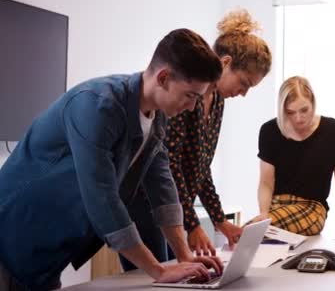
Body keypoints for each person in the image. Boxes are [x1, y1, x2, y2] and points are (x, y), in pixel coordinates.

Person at [0, 29, 225, 290]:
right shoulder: (97, 106)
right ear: (163, 78)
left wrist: (184, 256)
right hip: (10, 237)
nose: (192, 107)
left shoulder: (156, 117)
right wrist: (158, 270)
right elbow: (102, 198)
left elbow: (162, 187)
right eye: (190, 96)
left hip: (47, 251)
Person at [121, 9, 272, 271]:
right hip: (148, 203)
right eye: (244, 83)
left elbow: (201, 166)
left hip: (176, 209)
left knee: (182, 273)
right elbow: (168, 165)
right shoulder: (185, 98)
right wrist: (191, 224)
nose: (244, 93)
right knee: (155, 278)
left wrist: (219, 220)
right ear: (225, 63)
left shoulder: (218, 102)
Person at [253, 76, 335, 237]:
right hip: (277, 207)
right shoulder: (269, 131)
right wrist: (264, 213)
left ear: (313, 102)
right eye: (290, 112)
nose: (298, 118)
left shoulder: (333, 130)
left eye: (304, 110)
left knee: (251, 232)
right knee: (250, 232)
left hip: (313, 208)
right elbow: (266, 182)